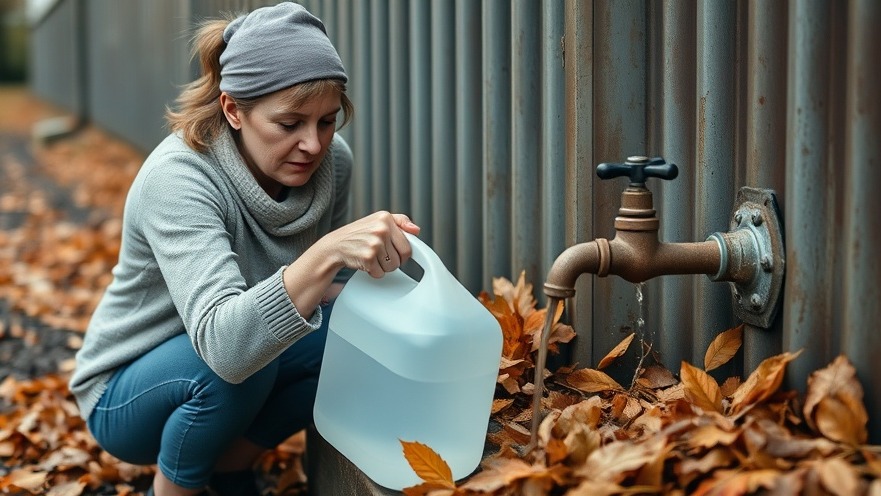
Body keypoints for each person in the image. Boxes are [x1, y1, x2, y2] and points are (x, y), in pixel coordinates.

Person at [68, 3, 420, 495]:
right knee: (242, 363)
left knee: (357, 343)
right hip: (129, 392)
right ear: (233, 109)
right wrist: (326, 254)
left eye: (326, 121)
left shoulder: (333, 163)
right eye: (289, 123)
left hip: (238, 365)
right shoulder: (179, 178)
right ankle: (174, 489)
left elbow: (327, 296)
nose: (313, 144)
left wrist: (399, 304)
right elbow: (227, 348)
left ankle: (231, 465)